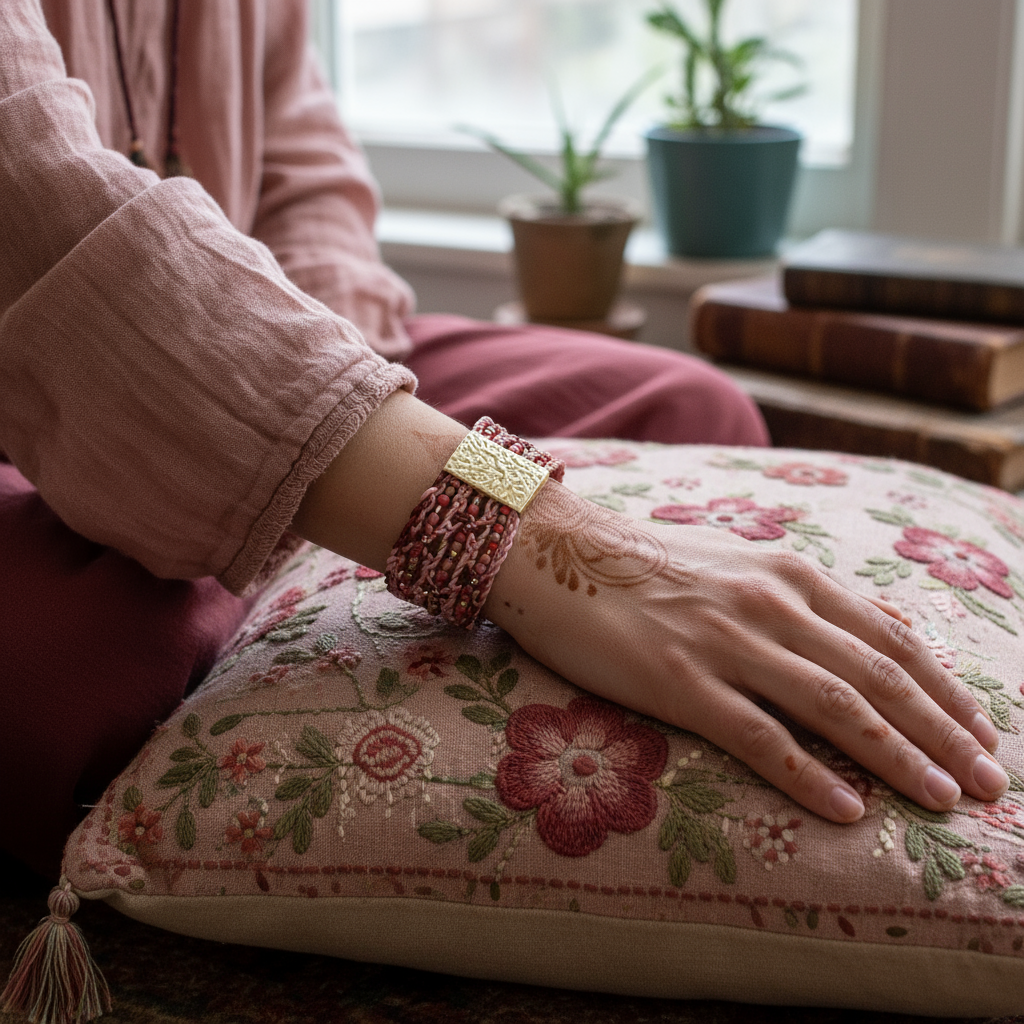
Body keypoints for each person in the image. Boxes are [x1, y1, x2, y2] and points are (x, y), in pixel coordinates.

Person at [0, 0, 1009, 878]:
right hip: (38, 405)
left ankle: (291, 541)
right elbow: (34, 201)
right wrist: (508, 524)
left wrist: (330, 415)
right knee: (77, 676)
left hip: (267, 343)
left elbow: (305, 166)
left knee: (685, 411)